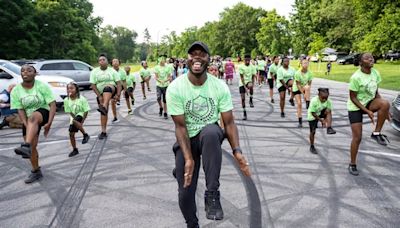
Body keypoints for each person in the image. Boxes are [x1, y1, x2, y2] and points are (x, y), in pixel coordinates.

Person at [167, 41, 251, 228]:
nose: (197, 57)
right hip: (187, 141)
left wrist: (237, 151)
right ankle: (192, 224)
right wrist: (188, 159)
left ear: (208, 59)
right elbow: (180, 127)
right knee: (185, 192)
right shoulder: (175, 87)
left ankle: (212, 193)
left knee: (212, 131)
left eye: (202, 54)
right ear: (187, 60)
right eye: (192, 54)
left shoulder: (219, 86)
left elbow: (228, 122)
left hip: (208, 140)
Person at [347, 53, 390, 176]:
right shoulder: (356, 77)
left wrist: (384, 110)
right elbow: (353, 98)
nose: (371, 59)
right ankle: (352, 164)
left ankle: (376, 133)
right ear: (361, 63)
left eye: (371, 57)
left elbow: (376, 92)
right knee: (357, 137)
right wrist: (367, 111)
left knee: (385, 103)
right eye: (367, 58)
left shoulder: (375, 73)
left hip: (369, 102)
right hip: (355, 106)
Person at [11, 65, 56, 184]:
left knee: (33, 117)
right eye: (23, 71)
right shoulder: (16, 90)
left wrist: (49, 123)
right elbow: (20, 109)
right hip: (28, 119)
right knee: (32, 147)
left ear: (35, 74)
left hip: (43, 112)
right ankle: (36, 171)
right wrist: (25, 124)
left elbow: (52, 104)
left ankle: (25, 146)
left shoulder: (41, 86)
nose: (25, 72)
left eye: (29, 70)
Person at [90, 54, 121, 140]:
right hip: (101, 93)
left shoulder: (112, 71)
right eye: (100, 60)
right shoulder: (94, 72)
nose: (102, 61)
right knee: (104, 112)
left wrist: (118, 95)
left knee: (107, 87)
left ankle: (104, 105)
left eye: (103, 59)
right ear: (98, 62)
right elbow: (93, 85)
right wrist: (99, 96)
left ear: (107, 61)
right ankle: (103, 131)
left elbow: (119, 84)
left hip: (111, 89)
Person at [64, 82, 90, 157]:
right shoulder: (66, 100)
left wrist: (82, 122)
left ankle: (85, 135)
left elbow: (86, 111)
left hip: (81, 114)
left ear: (76, 89)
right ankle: (75, 149)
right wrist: (74, 118)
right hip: (74, 116)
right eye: (68, 88)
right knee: (71, 134)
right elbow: (69, 111)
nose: (70, 90)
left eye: (72, 88)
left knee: (75, 120)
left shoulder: (81, 99)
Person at [308, 88, 336, 154]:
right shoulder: (314, 101)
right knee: (313, 131)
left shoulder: (328, 101)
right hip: (313, 115)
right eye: (323, 98)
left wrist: (325, 120)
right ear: (318, 95)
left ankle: (329, 128)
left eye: (326, 98)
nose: (324, 100)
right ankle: (312, 146)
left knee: (329, 111)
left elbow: (329, 111)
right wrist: (321, 121)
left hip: (321, 112)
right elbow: (313, 113)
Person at [293, 59, 313, 127]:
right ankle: (300, 121)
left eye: (307, 63)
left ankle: (308, 102)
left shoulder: (310, 73)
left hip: (304, 87)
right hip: (297, 88)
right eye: (304, 63)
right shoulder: (297, 73)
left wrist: (306, 94)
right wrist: (303, 94)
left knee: (307, 87)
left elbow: (309, 84)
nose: (306, 64)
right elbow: (298, 85)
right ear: (301, 64)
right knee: (299, 104)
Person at [239, 54, 257, 120]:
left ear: (250, 60)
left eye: (248, 60)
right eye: (246, 60)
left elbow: (253, 77)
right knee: (243, 98)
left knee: (251, 85)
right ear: (244, 60)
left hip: (249, 81)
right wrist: (245, 88)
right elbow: (241, 78)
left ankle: (251, 100)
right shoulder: (241, 66)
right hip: (242, 83)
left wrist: (252, 84)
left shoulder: (252, 66)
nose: (247, 61)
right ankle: (244, 113)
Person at [154, 55, 173, 119]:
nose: (162, 61)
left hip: (165, 85)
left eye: (163, 60)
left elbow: (169, 77)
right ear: (159, 61)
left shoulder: (168, 68)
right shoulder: (156, 67)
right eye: (161, 60)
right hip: (159, 85)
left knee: (165, 100)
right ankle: (161, 107)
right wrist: (160, 81)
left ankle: (165, 112)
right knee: (158, 98)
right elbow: (156, 77)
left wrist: (165, 81)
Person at [111, 58, 126, 123]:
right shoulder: (109, 71)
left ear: (119, 63)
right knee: (112, 101)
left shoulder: (122, 71)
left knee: (119, 88)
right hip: (112, 87)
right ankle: (115, 116)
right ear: (112, 63)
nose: (115, 62)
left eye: (116, 61)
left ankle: (118, 98)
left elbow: (124, 81)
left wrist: (125, 90)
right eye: (114, 61)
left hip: (120, 86)